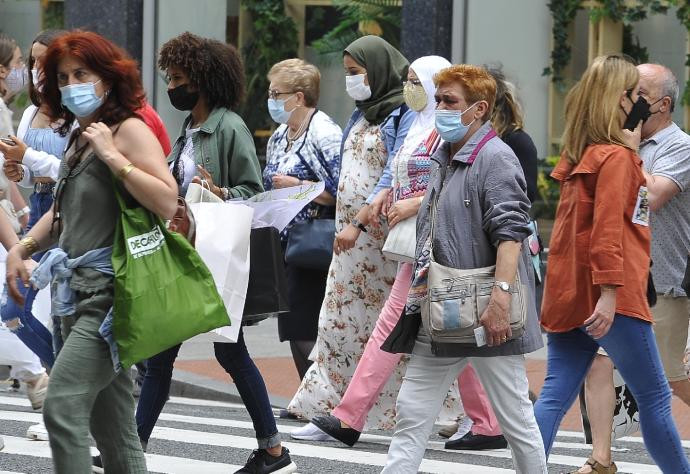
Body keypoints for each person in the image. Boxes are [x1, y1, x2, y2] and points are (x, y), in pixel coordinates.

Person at [4, 30, 178, 473]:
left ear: (107, 76)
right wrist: (20, 249)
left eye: (81, 73)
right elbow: (61, 216)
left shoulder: (128, 129)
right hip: (74, 295)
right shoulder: (81, 136)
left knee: (60, 408)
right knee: (116, 432)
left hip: (109, 298)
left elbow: (166, 200)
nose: (71, 84)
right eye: (62, 77)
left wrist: (114, 157)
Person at [132, 32, 296, 474]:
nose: (172, 86)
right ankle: (133, 450)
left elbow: (253, 191)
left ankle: (274, 450)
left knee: (228, 351)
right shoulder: (189, 130)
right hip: (188, 254)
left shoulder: (228, 126)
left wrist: (218, 190)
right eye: (169, 77)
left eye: (179, 77)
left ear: (203, 79)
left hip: (220, 256)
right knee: (163, 354)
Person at [303, 55, 484, 447]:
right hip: (418, 243)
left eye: (422, 83)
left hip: (442, 242)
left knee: (430, 327)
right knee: (450, 330)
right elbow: (397, 171)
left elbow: (458, 183)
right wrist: (379, 201)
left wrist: (411, 203)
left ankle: (350, 416)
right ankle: (487, 422)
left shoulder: (456, 132)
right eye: (412, 82)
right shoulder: (418, 124)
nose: (415, 91)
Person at [380, 64, 547, 474]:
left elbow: (511, 234)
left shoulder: (496, 157)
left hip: (486, 313)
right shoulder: (444, 155)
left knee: (515, 418)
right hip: (442, 309)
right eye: (438, 100)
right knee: (412, 411)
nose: (440, 108)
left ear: (479, 109)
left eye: (449, 101)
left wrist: (500, 301)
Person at [534, 54, 690, 474]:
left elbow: (573, 235)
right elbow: (612, 232)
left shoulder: (579, 154)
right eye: (636, 95)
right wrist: (609, 294)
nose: (642, 103)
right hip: (613, 296)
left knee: (554, 393)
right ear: (620, 101)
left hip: (569, 295)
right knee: (656, 398)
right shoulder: (619, 159)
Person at [287, 35, 415, 437]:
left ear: (378, 70)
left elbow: (395, 170)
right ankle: (325, 406)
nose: (351, 81)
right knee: (340, 321)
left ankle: (385, 411)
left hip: (380, 239)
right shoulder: (359, 115)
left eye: (357, 72)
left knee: (386, 329)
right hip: (350, 242)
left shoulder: (401, 113)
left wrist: (359, 221)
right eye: (347, 73)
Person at [579, 63, 690, 474]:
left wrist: (624, 155)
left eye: (637, 92)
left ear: (662, 104)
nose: (626, 98)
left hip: (662, 282)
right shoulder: (617, 141)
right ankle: (601, 459)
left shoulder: (679, 146)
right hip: (617, 278)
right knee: (599, 362)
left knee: (670, 381)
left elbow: (648, 198)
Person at [263, 58, 341, 380]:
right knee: (293, 324)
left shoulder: (325, 133)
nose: (271, 99)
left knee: (304, 323)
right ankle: (307, 395)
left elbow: (342, 191)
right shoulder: (280, 135)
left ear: (298, 97)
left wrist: (299, 187)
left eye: (276, 93)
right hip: (286, 243)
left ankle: (315, 397)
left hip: (313, 244)